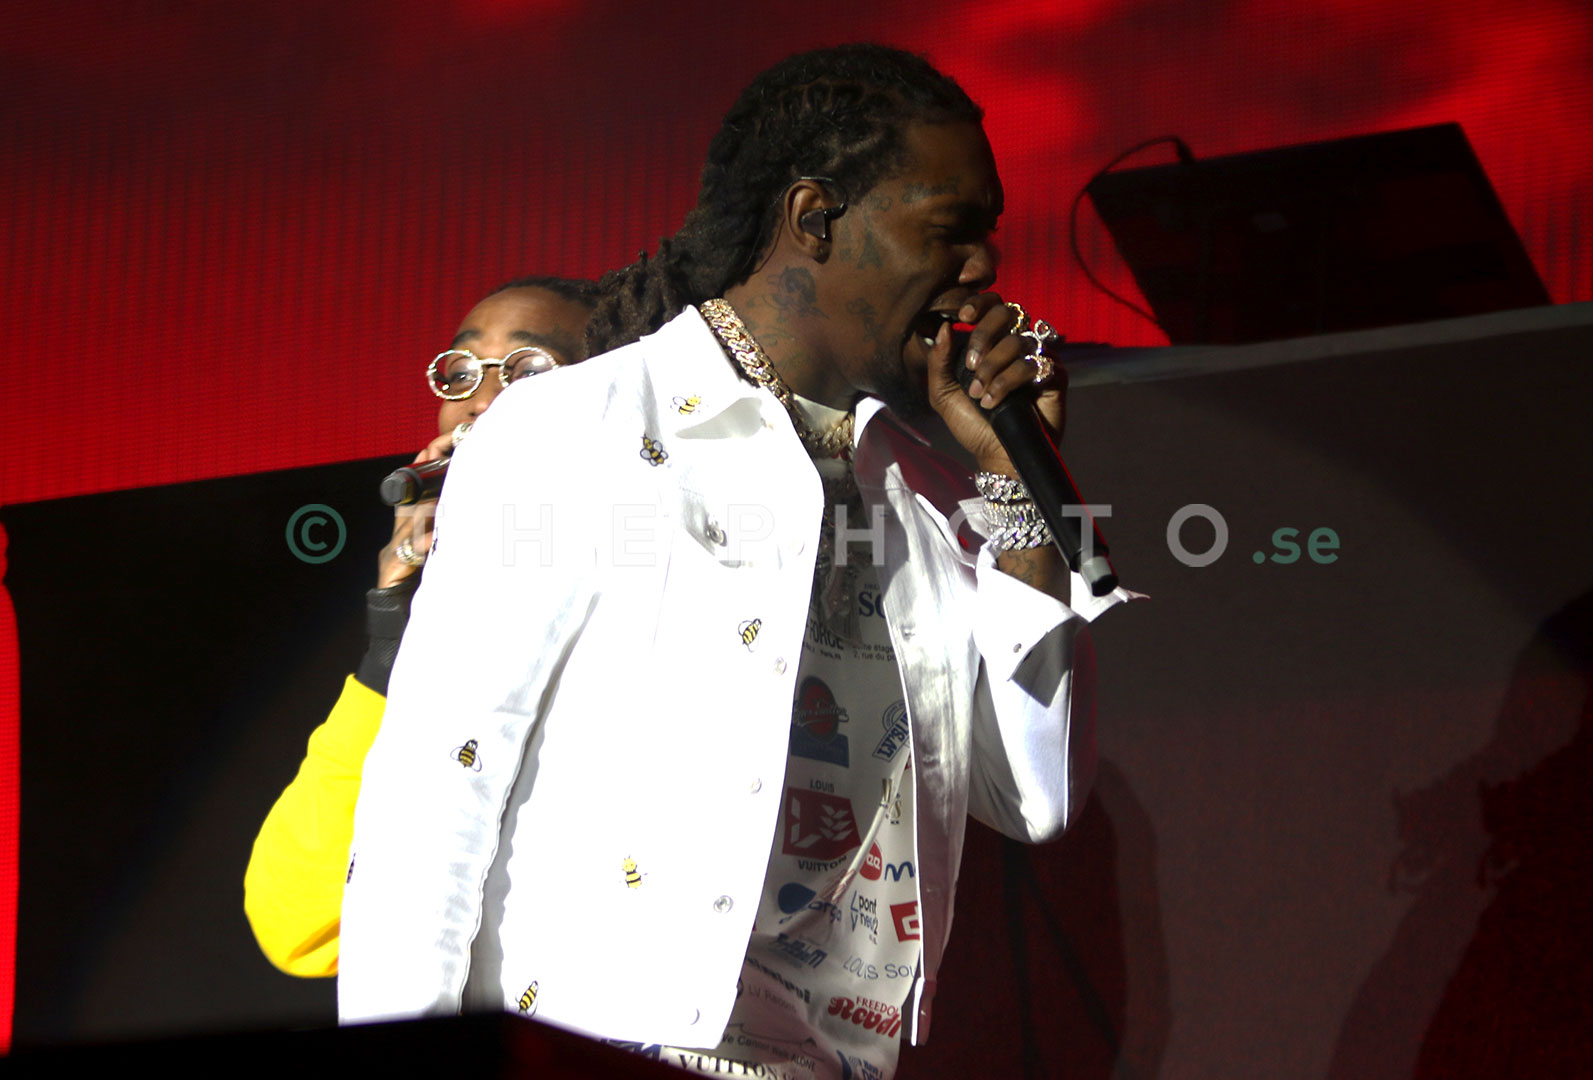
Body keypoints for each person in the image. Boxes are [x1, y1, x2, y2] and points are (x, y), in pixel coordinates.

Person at [338, 45, 1130, 1080]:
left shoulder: (929, 489)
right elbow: (438, 791)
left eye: (990, 235)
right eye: (951, 229)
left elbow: (1034, 797)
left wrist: (1016, 494)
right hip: (598, 1044)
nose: (983, 268)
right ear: (815, 217)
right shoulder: (575, 429)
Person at [243, 276, 598, 976]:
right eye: (461, 371)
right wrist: (391, 649)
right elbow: (299, 926)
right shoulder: (444, 633)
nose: (480, 399)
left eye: (528, 369)